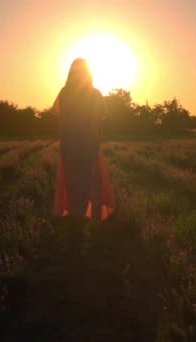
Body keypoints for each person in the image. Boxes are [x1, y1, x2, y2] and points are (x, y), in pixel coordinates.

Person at [52, 58, 114, 221]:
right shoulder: (92, 93)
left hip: (77, 144)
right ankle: (80, 217)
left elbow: (61, 119)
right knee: (85, 181)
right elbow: (99, 119)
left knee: (77, 181)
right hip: (83, 144)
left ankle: (77, 217)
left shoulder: (66, 93)